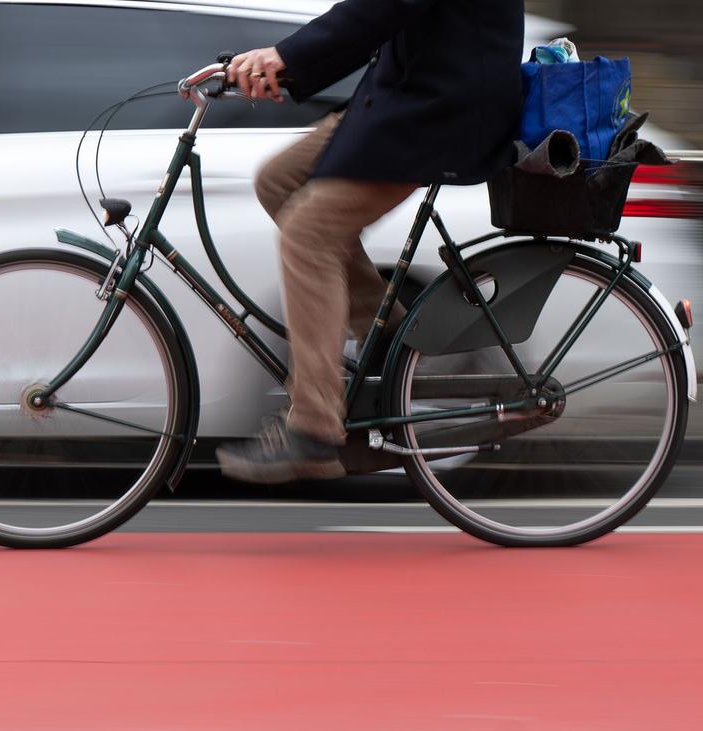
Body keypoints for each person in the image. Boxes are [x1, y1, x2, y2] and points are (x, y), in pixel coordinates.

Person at [214, 0, 525, 484]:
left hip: (441, 112)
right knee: (277, 181)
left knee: (308, 232)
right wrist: (284, 66)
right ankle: (385, 339)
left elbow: (383, 7)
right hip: (403, 99)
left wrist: (285, 56)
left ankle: (313, 429)